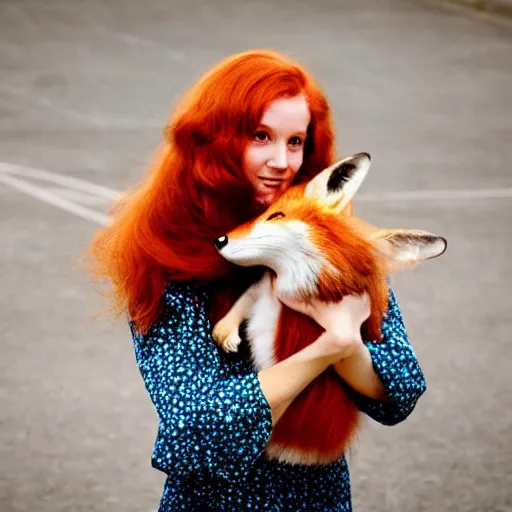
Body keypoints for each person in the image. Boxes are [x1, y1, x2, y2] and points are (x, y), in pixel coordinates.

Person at [89, 49, 426, 511]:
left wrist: (347, 341)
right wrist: (332, 345)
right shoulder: (167, 258)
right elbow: (195, 431)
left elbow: (401, 389)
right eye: (261, 136)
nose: (281, 161)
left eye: (295, 142)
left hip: (318, 499)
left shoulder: (328, 246)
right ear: (217, 140)